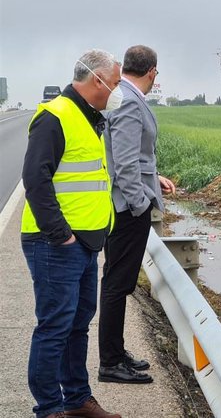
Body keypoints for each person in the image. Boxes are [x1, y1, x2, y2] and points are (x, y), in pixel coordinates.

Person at [21, 49, 122, 418]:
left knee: (77, 325)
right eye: (113, 83)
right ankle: (49, 409)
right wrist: (60, 234)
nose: (116, 90)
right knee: (54, 327)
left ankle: (77, 399)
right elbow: (35, 179)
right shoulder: (55, 117)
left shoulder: (90, 117)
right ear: (95, 80)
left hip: (86, 242)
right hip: (55, 244)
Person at [98, 45, 175, 384]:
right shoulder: (129, 100)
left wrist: (152, 179)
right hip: (128, 208)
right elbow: (126, 163)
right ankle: (111, 362)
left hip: (126, 202)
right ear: (152, 72)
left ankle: (116, 352)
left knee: (118, 281)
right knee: (118, 283)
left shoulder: (121, 95)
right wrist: (140, 203)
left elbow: (127, 156)